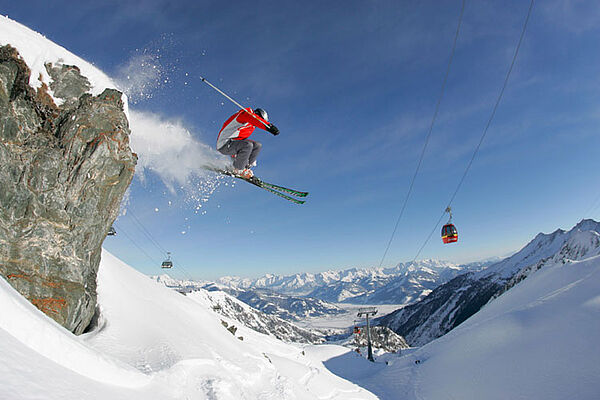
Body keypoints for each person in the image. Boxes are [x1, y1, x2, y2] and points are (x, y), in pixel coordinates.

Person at [216, 107, 280, 179]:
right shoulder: (244, 115)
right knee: (248, 145)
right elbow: (252, 118)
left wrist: (237, 158)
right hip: (224, 144)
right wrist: (268, 126)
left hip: (233, 145)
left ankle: (245, 168)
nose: (255, 125)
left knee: (257, 145)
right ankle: (238, 169)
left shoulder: (250, 127)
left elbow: (240, 143)